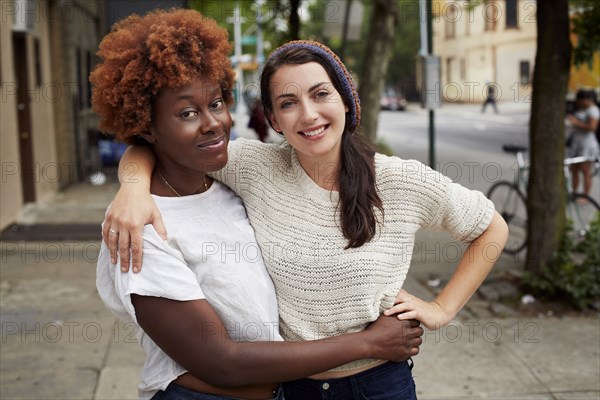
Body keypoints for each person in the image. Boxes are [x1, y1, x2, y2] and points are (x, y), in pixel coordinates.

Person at [104, 39, 509, 400]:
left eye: (321, 95)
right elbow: (155, 145)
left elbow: (491, 227)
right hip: (291, 388)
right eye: (288, 103)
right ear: (275, 121)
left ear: (347, 101)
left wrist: (441, 309)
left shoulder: (401, 180)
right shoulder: (252, 165)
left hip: (378, 385)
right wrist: (133, 188)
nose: (309, 114)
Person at [566, 89, 600, 197]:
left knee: (585, 171)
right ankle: (574, 192)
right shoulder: (582, 109)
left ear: (584, 100)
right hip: (577, 144)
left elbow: (592, 127)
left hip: (587, 145)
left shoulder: (593, 110)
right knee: (574, 169)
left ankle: (586, 196)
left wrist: (576, 122)